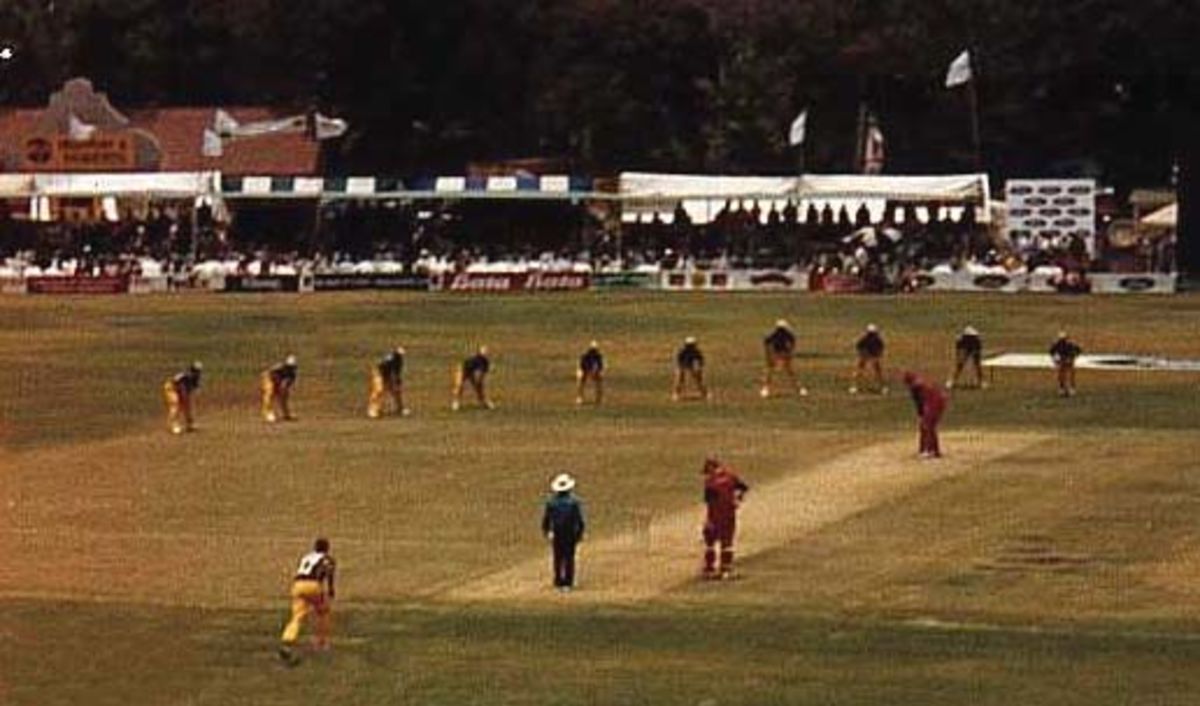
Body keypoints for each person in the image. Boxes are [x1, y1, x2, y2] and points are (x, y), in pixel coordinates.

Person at [279, 537, 336, 666]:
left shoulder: (307, 557)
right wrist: (331, 590)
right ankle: (321, 642)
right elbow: (328, 573)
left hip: (297, 585)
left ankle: (287, 641)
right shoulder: (327, 559)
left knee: (296, 617)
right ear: (327, 548)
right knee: (323, 612)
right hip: (313, 585)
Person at [701, 455, 749, 580]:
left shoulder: (710, 483)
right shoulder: (731, 476)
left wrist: (708, 520)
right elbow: (744, 488)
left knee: (710, 543)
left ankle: (710, 569)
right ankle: (726, 570)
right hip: (729, 514)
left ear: (711, 468)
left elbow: (709, 503)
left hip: (716, 516)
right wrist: (738, 499)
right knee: (727, 543)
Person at [542, 473, 586, 592]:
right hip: (570, 533)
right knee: (569, 558)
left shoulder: (551, 502)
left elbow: (546, 520)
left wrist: (547, 532)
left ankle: (558, 581)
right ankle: (568, 582)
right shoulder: (574, 502)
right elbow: (580, 520)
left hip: (557, 533)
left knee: (558, 558)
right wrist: (580, 534)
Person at [904, 371, 948, 459]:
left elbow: (921, 402)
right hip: (938, 401)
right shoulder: (920, 385)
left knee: (927, 426)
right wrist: (921, 414)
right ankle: (933, 450)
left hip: (934, 402)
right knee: (929, 426)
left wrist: (922, 415)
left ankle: (927, 450)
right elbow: (920, 403)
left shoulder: (917, 387)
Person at [761, 319, 807, 398]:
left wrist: (768, 354)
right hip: (784, 354)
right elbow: (792, 341)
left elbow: (766, 341)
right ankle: (800, 389)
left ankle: (765, 389)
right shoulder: (788, 334)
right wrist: (790, 351)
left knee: (770, 371)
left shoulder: (774, 334)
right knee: (790, 372)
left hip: (775, 354)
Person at [367, 346, 409, 418]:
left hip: (387, 374)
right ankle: (373, 410)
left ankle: (400, 409)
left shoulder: (399, 361)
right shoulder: (390, 358)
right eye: (399, 354)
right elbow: (382, 367)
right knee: (379, 390)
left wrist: (397, 381)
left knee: (396, 391)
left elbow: (396, 372)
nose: (400, 356)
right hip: (379, 373)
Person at [163, 361, 202, 434]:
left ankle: (190, 424)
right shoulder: (184, 377)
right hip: (171, 389)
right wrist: (184, 400)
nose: (198, 373)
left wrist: (186, 402)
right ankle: (173, 425)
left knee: (188, 406)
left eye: (199, 372)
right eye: (196, 371)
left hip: (180, 391)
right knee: (175, 405)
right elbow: (182, 389)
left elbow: (191, 391)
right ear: (192, 370)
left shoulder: (195, 379)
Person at [452, 345, 494, 411]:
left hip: (471, 372)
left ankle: (483, 402)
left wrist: (479, 383)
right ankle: (456, 402)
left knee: (478, 387)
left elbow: (482, 375)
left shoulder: (485, 363)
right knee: (460, 385)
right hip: (463, 369)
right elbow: (465, 365)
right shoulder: (475, 358)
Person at [850, 324, 887, 394]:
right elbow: (859, 346)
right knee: (875, 372)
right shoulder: (874, 339)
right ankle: (882, 387)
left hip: (871, 356)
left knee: (874, 371)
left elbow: (858, 346)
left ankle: (855, 386)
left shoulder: (868, 339)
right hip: (869, 356)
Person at [261, 354, 298, 423]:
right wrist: (275, 384)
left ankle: (286, 414)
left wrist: (283, 390)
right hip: (270, 379)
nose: (291, 369)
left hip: (278, 381)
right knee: (270, 393)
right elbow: (269, 373)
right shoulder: (279, 368)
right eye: (289, 366)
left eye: (292, 367)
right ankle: (268, 413)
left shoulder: (292, 375)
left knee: (284, 397)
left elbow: (287, 385)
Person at [672, 336, 708, 401]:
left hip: (691, 365)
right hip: (682, 365)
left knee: (698, 379)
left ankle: (704, 393)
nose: (691, 347)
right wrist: (682, 368)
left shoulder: (696, 351)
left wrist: (699, 368)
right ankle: (676, 394)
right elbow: (679, 360)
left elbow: (700, 360)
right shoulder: (682, 351)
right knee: (679, 379)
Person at [1050, 331, 1082, 397]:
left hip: (1069, 360)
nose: (1062, 341)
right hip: (1062, 361)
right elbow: (1052, 352)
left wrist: (1072, 357)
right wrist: (1055, 359)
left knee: (1070, 375)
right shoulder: (1057, 344)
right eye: (1061, 339)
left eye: (1064, 339)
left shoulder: (1071, 344)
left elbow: (1078, 350)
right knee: (1061, 375)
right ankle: (1062, 388)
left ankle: (1071, 388)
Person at [576, 341, 604, 406]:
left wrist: (596, 372)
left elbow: (600, 366)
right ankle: (579, 397)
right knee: (580, 379)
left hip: (593, 371)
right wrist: (588, 372)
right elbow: (582, 366)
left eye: (595, 350)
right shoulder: (585, 356)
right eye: (592, 350)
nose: (594, 351)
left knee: (599, 381)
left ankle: (598, 398)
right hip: (584, 370)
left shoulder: (598, 357)